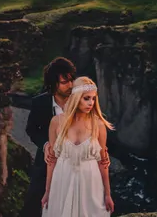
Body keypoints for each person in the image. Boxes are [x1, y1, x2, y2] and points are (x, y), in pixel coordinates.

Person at [21, 58, 110, 217]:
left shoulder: (82, 99)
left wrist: (102, 150)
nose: (70, 85)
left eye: (71, 80)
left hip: (82, 164)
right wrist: (46, 144)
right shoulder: (40, 103)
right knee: (34, 201)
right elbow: (31, 129)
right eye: (64, 82)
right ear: (53, 84)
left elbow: (98, 124)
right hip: (50, 159)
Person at [41, 76, 114, 216]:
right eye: (86, 98)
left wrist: (108, 194)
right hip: (62, 179)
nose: (91, 103)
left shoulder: (99, 125)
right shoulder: (56, 122)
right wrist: (48, 192)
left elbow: (103, 162)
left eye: (93, 98)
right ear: (76, 98)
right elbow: (52, 161)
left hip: (91, 182)